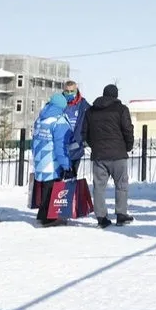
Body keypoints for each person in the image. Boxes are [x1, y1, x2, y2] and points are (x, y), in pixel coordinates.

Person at [82, 84, 135, 229]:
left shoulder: (91, 110)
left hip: (99, 155)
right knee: (121, 185)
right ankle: (121, 215)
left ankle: (101, 217)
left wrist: (95, 146)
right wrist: (128, 146)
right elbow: (128, 130)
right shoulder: (122, 109)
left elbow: (85, 133)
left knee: (99, 186)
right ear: (116, 95)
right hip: (118, 154)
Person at [31, 93, 73, 227]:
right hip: (51, 161)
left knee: (45, 187)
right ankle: (49, 218)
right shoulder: (58, 121)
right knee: (51, 189)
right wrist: (66, 165)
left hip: (39, 159)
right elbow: (61, 146)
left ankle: (42, 214)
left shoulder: (41, 118)